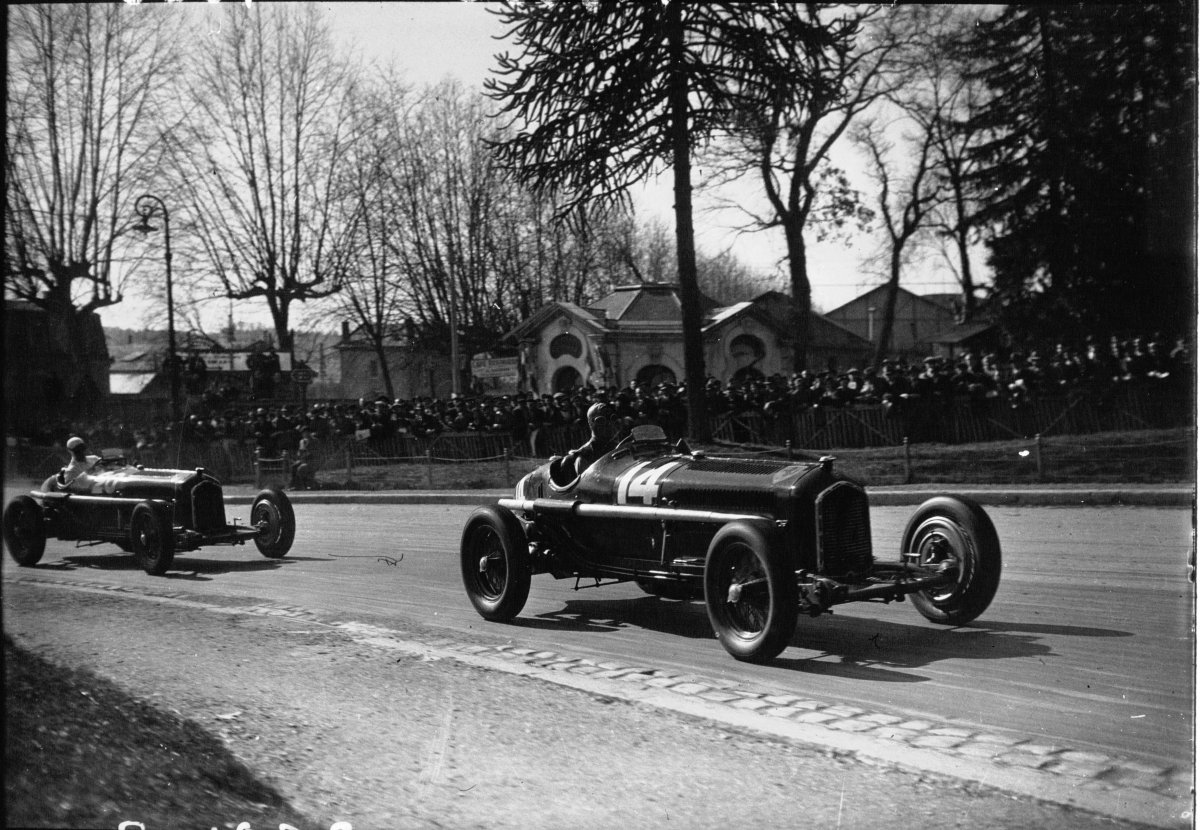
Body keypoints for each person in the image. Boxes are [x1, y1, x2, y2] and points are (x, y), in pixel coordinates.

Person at [560, 402, 621, 481]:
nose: (608, 424)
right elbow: (585, 487)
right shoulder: (585, 455)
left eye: (612, 419)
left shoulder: (619, 447)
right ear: (591, 424)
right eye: (601, 420)